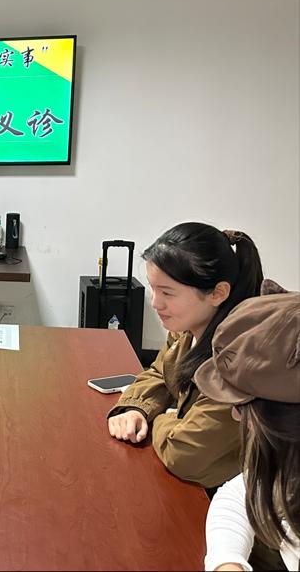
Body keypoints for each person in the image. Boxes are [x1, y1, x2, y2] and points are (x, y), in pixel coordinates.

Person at [107, 222, 263, 488]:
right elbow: (160, 372)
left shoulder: (237, 362)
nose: (155, 303)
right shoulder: (188, 329)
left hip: (236, 495)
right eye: (153, 288)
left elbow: (184, 455)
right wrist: (136, 408)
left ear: (218, 293)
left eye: (167, 292)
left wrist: (161, 417)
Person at [193, 283, 299, 571]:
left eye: (242, 406)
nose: (236, 416)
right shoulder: (287, 466)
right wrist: (226, 560)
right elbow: (241, 494)